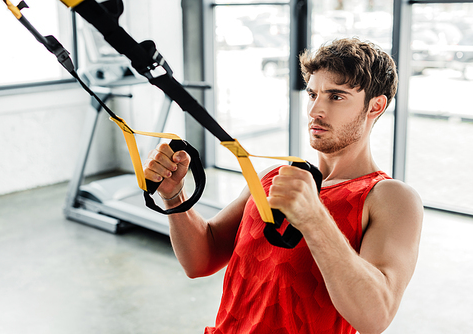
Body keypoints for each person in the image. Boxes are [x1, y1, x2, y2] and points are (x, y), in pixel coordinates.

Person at [144, 38, 423, 334]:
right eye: (313, 94)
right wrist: (174, 197)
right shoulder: (273, 177)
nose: (316, 110)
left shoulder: (390, 198)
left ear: (375, 106)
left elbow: (375, 317)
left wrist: (314, 219)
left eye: (336, 97)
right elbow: (201, 260)